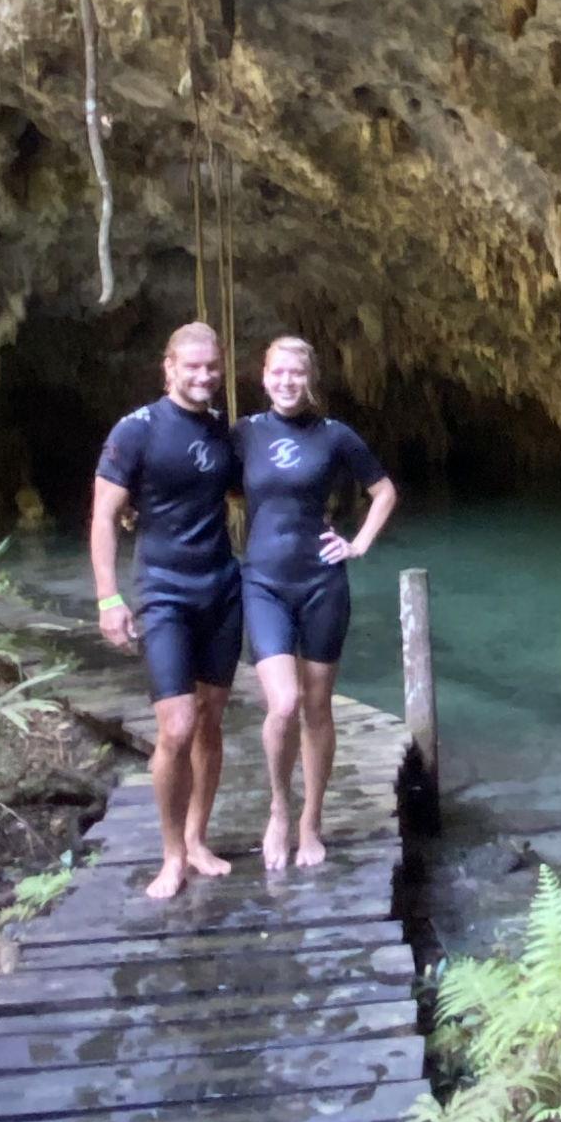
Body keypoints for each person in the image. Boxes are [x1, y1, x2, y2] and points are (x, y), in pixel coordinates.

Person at [90, 322, 246, 899]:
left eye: (212, 367)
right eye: (193, 366)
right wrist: (109, 597)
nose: (203, 376)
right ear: (169, 368)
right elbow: (103, 517)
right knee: (176, 726)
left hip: (221, 588)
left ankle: (198, 838)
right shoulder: (137, 430)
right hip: (164, 592)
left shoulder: (221, 431)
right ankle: (172, 852)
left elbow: (250, 490)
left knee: (210, 719)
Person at [237, 335, 397, 873]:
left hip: (322, 581)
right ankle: (279, 810)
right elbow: (206, 483)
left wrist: (358, 543)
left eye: (296, 373)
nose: (287, 382)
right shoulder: (245, 434)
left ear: (310, 379)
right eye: (278, 372)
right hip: (263, 582)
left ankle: (312, 819)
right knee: (283, 703)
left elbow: (384, 491)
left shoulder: (334, 435)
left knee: (317, 706)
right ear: (264, 376)